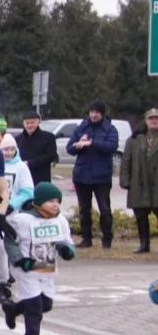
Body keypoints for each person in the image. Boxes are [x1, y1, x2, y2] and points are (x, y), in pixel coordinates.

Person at [2, 182, 76, 335]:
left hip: (47, 270)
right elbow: (10, 240)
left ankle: (13, 309)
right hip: (27, 269)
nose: (55, 204)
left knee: (46, 305)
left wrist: (67, 251)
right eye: (50, 200)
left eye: (58, 201)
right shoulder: (22, 220)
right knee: (34, 306)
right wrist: (19, 260)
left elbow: (67, 243)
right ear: (39, 201)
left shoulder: (60, 221)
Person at [68, 100, 119, 249]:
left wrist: (92, 143)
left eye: (97, 112)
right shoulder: (82, 127)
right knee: (84, 210)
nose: (93, 115)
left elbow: (112, 146)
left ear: (102, 114)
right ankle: (86, 238)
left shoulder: (110, 129)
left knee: (104, 209)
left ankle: (107, 239)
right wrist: (78, 144)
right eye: (91, 112)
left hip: (101, 176)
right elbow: (70, 148)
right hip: (82, 175)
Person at [121, 108, 158, 254]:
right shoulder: (135, 139)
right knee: (141, 216)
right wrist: (125, 180)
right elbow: (125, 161)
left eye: (156, 118)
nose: (154, 121)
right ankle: (144, 244)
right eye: (151, 118)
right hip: (139, 183)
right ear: (146, 121)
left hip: (156, 184)